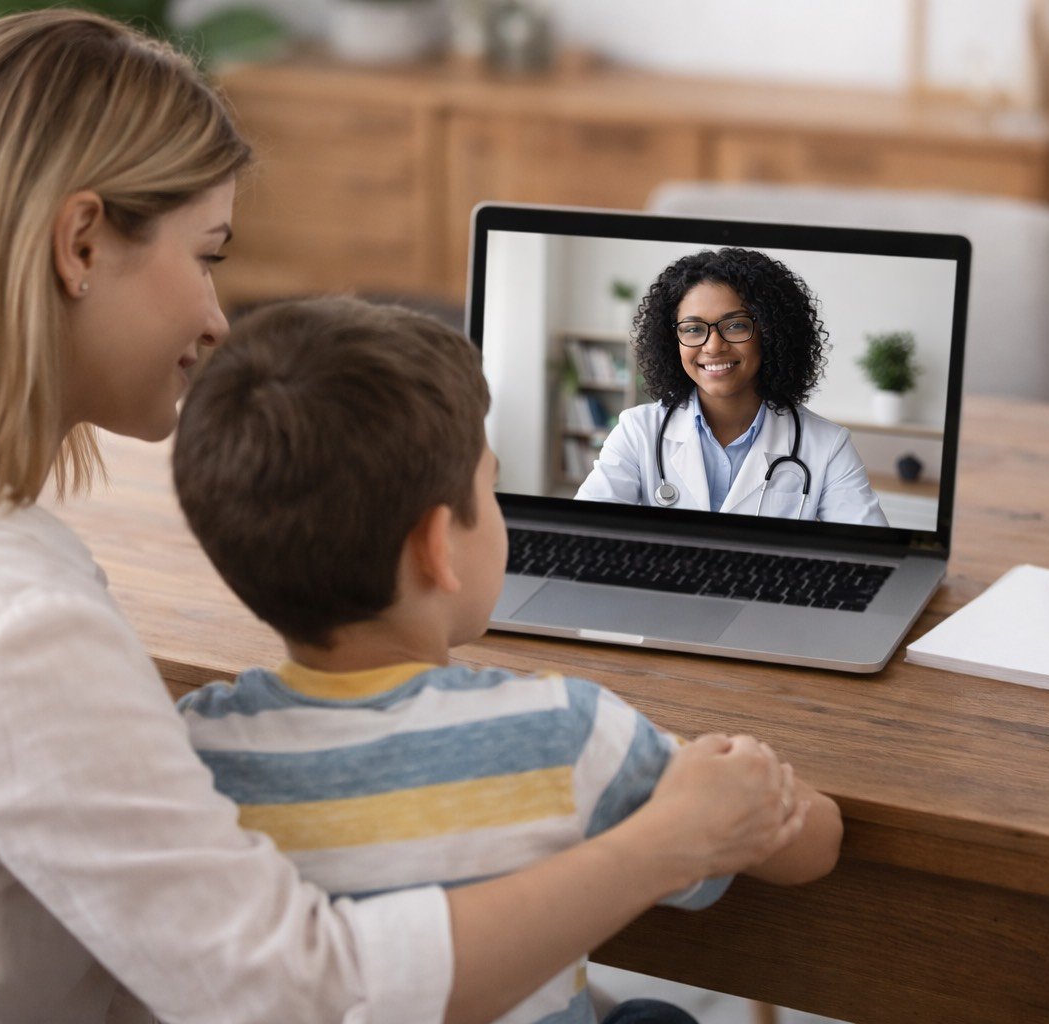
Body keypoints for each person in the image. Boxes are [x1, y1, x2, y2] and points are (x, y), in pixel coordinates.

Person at [0, 11, 810, 1024]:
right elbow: (300, 997)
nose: (215, 316)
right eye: (207, 254)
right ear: (81, 243)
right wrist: (665, 841)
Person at [170, 296, 844, 1024]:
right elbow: (811, 845)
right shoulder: (562, 732)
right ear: (436, 547)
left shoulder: (188, 746)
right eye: (489, 489)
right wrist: (763, 784)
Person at [576, 248, 888, 525]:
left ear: (770, 332)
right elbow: (584, 535)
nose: (713, 346)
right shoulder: (638, 432)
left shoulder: (827, 446)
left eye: (736, 325)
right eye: (694, 329)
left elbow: (873, 559)